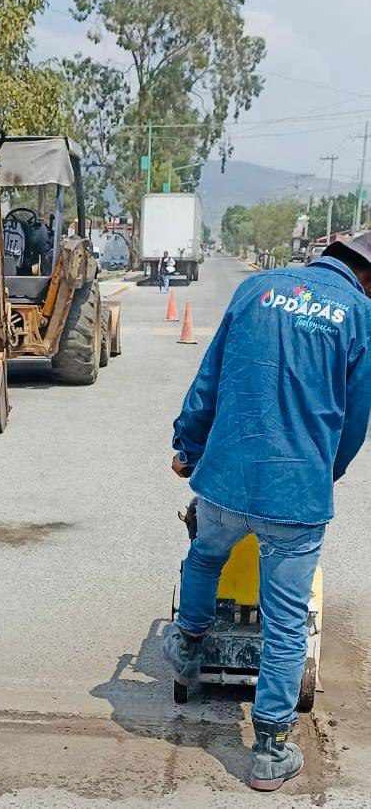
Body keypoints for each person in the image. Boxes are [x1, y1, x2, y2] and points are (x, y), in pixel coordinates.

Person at [164, 234, 371, 791]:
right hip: (296, 497)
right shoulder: (360, 314)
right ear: (366, 275)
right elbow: (354, 420)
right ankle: (270, 749)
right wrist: (325, 474)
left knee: (205, 556)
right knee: (285, 625)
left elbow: (208, 380)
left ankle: (187, 645)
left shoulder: (254, 289)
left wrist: (188, 446)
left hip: (225, 478)